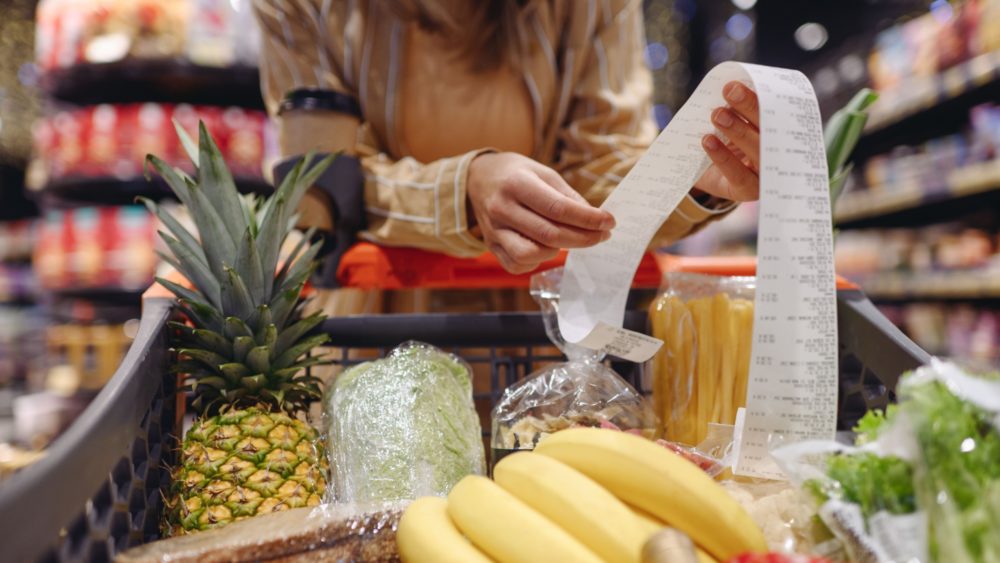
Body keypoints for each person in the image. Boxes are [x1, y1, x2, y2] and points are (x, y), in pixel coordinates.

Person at [251, 0, 760, 312]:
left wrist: (691, 178)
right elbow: (320, 183)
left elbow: (603, 167)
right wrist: (463, 191)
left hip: (541, 332)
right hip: (376, 328)